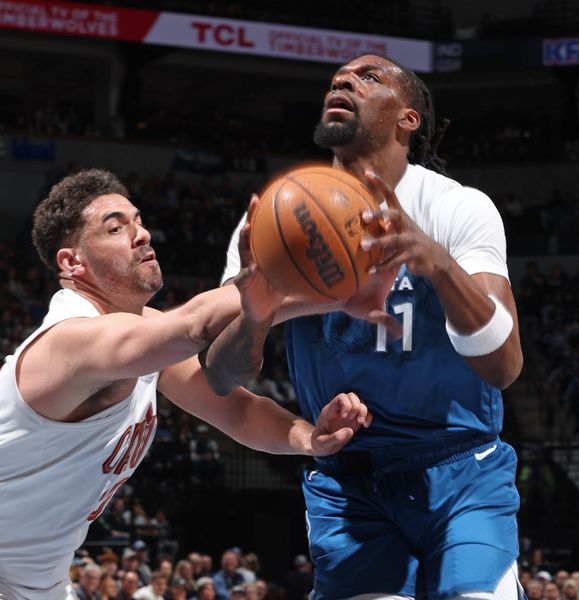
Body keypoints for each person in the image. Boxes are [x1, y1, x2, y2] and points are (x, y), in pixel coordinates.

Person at [208, 53, 524, 599]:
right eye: (338, 78)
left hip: (459, 466)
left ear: (408, 118)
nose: (344, 79)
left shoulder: (456, 207)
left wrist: (437, 264)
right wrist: (255, 318)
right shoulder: (272, 219)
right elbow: (219, 375)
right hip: (346, 475)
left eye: (369, 76)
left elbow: (503, 366)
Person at [0, 169, 372, 600]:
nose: (141, 234)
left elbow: (237, 410)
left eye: (138, 221)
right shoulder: (71, 341)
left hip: (34, 583)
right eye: (116, 228)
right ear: (72, 263)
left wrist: (311, 438)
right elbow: (195, 324)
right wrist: (284, 273)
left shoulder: (143, 335)